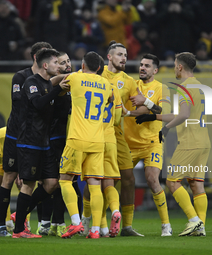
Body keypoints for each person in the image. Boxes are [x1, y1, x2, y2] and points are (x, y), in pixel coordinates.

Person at [136, 52, 209, 237]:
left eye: (175, 64)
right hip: (204, 141)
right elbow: (184, 114)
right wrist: (154, 116)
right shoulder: (200, 87)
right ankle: (201, 228)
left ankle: (194, 220)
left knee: (172, 181)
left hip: (189, 142)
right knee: (197, 184)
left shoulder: (184, 88)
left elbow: (183, 115)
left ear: (180, 67)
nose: (174, 68)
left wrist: (166, 128)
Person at [12, 48, 69, 238]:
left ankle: (19, 215)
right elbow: (37, 104)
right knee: (28, 185)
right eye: (55, 63)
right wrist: (59, 89)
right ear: (45, 65)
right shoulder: (31, 83)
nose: (58, 66)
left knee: (52, 183)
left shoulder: (48, 84)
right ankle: (19, 229)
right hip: (30, 142)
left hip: (44, 143)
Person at [0, 42, 53, 238]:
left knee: (41, 181)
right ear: (37, 58)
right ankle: (2, 226)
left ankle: (22, 220)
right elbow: (22, 102)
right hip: (18, 134)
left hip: (38, 137)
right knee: (10, 178)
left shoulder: (48, 81)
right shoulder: (21, 77)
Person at [59, 51, 112, 239]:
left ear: (82, 65)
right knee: (95, 185)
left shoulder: (75, 78)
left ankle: (75, 223)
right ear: (99, 68)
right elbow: (111, 99)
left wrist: (60, 83)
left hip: (77, 138)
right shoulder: (107, 84)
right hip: (98, 141)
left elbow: (60, 82)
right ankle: (96, 230)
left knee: (65, 180)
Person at [100, 40, 149, 237]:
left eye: (126, 55)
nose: (124, 58)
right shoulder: (96, 73)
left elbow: (144, 107)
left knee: (128, 179)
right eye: (120, 54)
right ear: (109, 56)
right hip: (95, 132)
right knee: (96, 180)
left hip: (117, 134)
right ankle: (92, 222)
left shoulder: (128, 81)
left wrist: (129, 112)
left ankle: (127, 226)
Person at [125, 54, 172, 236]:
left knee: (153, 179)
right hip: (129, 143)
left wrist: (146, 102)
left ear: (155, 70)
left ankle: (166, 225)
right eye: (141, 65)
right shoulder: (131, 85)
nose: (142, 68)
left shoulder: (162, 88)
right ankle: (123, 226)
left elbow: (164, 111)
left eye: (147, 65)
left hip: (152, 142)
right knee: (115, 180)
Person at [37, 52, 81, 237]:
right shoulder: (53, 86)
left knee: (68, 183)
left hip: (72, 139)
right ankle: (47, 222)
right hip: (55, 138)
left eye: (69, 61)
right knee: (55, 183)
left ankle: (57, 222)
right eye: (62, 63)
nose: (67, 65)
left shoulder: (74, 85)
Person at [81, 55, 123, 238]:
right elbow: (118, 119)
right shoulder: (113, 89)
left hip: (94, 138)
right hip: (110, 140)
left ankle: (93, 224)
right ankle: (114, 211)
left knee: (93, 184)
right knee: (109, 184)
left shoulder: (86, 86)